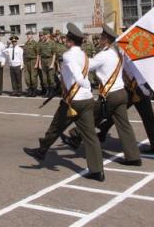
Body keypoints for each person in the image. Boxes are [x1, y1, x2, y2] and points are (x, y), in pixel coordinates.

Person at [23, 23, 105, 182]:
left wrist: (82, 82)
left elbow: (76, 73)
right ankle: (97, 171)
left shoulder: (69, 55)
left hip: (73, 100)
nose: (65, 40)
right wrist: (61, 79)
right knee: (90, 136)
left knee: (55, 127)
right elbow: (74, 71)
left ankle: (41, 151)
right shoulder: (84, 55)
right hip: (87, 99)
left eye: (67, 38)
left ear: (70, 41)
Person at [61, 25, 142, 166]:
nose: (99, 39)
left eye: (102, 37)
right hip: (121, 92)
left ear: (106, 40)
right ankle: (133, 157)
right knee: (124, 126)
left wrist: (76, 56)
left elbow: (87, 65)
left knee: (90, 116)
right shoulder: (118, 52)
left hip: (110, 95)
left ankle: (75, 135)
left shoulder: (103, 55)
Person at [100, 55, 154, 154]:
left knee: (145, 116)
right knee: (120, 110)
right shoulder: (129, 51)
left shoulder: (128, 53)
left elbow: (130, 70)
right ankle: (103, 130)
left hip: (136, 87)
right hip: (135, 86)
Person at [38, 29, 56, 97]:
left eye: (45, 34)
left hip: (49, 60)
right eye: (44, 35)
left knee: (51, 78)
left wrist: (52, 64)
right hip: (43, 61)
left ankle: (52, 92)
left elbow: (54, 54)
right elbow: (39, 55)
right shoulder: (42, 43)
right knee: (44, 78)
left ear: (48, 35)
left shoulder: (52, 43)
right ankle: (47, 92)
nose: (44, 36)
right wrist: (39, 64)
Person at [22, 31, 39, 97]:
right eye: (27, 35)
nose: (28, 36)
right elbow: (24, 54)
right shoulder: (26, 43)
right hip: (27, 62)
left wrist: (37, 63)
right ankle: (30, 90)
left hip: (33, 61)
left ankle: (34, 90)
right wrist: (23, 63)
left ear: (32, 35)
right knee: (27, 77)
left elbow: (38, 54)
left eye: (29, 34)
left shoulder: (35, 43)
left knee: (33, 77)